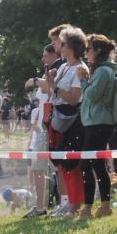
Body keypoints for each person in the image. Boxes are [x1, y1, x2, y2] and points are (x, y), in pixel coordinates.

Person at [48, 27, 88, 217]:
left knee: (72, 164)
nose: (59, 46)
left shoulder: (81, 69)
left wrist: (55, 87)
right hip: (60, 119)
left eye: (62, 43)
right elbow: (54, 91)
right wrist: (51, 81)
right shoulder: (64, 67)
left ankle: (75, 205)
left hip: (74, 121)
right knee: (62, 163)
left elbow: (74, 98)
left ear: (71, 46)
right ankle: (69, 203)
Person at [79, 34, 117, 218]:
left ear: (98, 51)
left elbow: (92, 96)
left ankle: (89, 207)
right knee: (97, 165)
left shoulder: (103, 71)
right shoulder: (101, 70)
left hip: (99, 123)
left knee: (86, 165)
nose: (86, 53)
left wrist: (83, 80)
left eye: (88, 49)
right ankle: (104, 206)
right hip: (95, 122)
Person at [23, 44, 58, 216]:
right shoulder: (47, 74)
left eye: (45, 55)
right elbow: (40, 104)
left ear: (54, 55)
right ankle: (40, 206)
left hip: (49, 128)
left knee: (56, 168)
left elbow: (50, 88)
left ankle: (60, 203)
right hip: (40, 130)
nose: (42, 59)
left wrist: (35, 80)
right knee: (38, 169)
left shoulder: (56, 71)